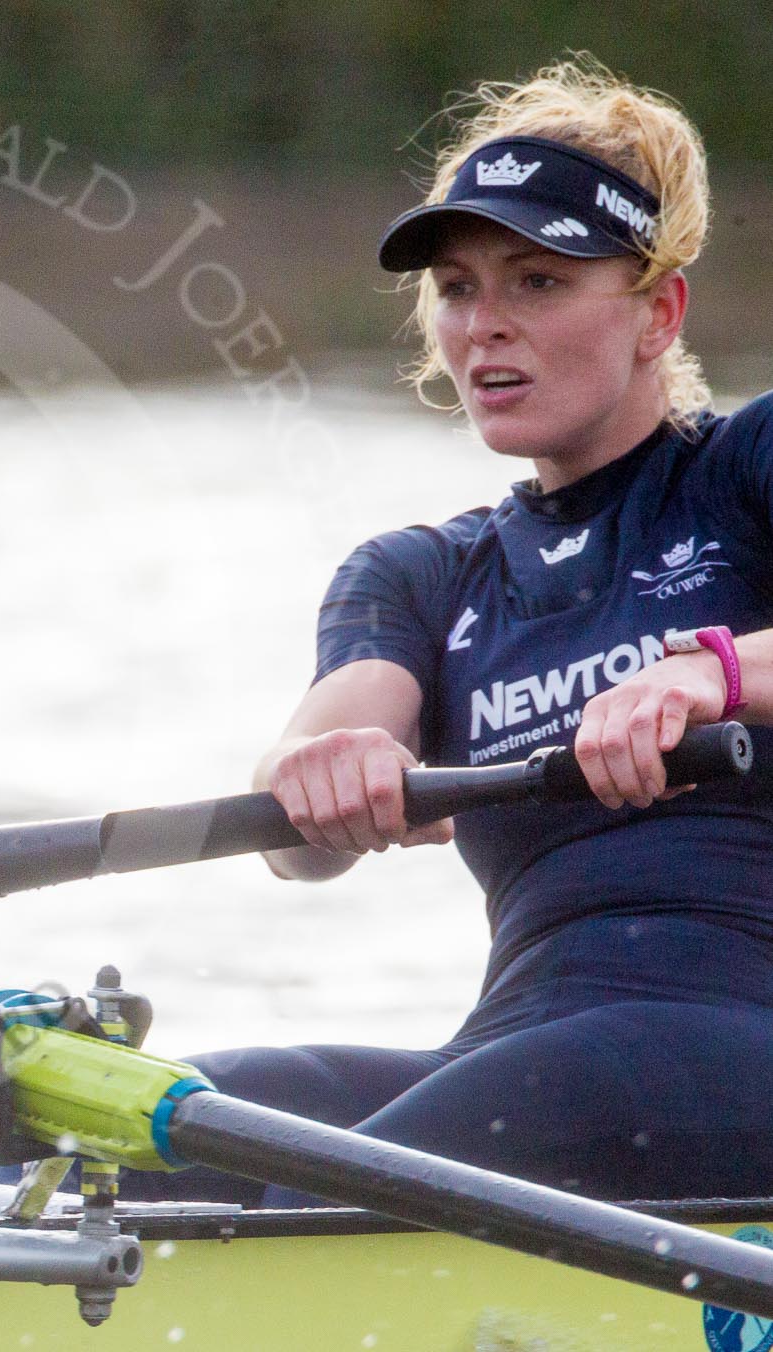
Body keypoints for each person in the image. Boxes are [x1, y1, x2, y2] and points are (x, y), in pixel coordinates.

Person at [129, 58, 773, 1206]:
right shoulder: (418, 573)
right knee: (135, 1125)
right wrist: (320, 772)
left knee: (341, 1177)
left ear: (656, 311)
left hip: (732, 1035)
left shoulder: (748, 470)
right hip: (524, 1056)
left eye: (536, 281)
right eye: (460, 288)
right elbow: (299, 823)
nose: (484, 328)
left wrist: (715, 671)